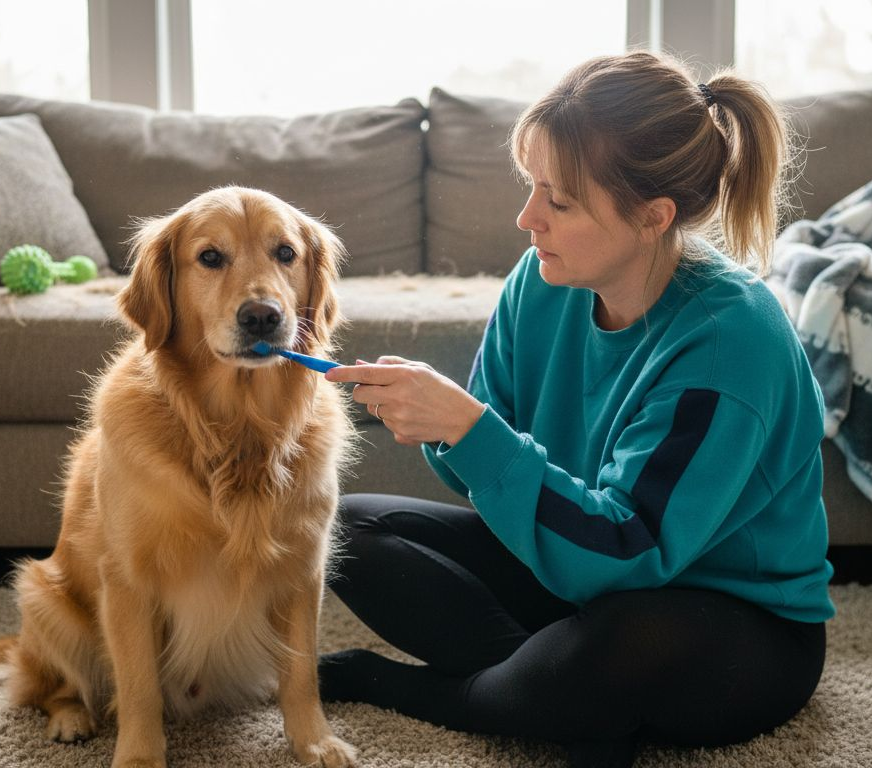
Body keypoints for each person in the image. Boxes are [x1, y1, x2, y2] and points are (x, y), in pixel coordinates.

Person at [319, 51, 834, 768]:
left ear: (653, 217)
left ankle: (438, 691)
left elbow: (629, 552)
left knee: (620, 644)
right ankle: (554, 697)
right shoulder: (543, 276)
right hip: (574, 573)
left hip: (725, 619)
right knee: (340, 530)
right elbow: (486, 481)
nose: (528, 218)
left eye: (559, 201)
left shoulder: (730, 343)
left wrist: (473, 431)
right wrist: (451, 424)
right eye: (534, 187)